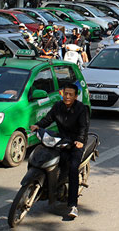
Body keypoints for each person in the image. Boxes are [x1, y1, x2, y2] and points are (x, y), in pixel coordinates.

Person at [30, 83, 90, 219]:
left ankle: (73, 205)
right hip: (61, 140)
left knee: (73, 168)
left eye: (70, 94)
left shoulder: (81, 109)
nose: (67, 96)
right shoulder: (57, 106)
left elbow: (83, 127)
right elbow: (48, 119)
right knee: (46, 157)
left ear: (75, 96)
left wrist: (80, 140)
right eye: (65, 93)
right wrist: (38, 125)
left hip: (76, 143)